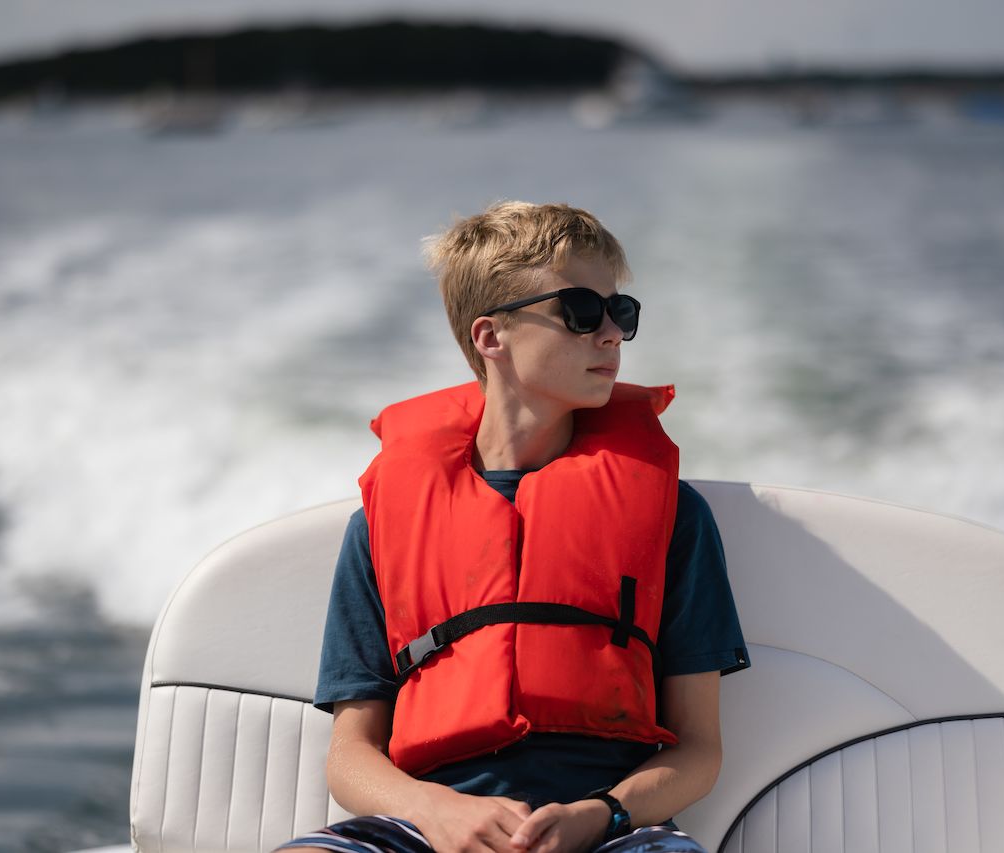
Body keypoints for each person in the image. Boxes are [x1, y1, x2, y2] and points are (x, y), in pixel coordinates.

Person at [277, 201, 748, 853]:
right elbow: (351, 754)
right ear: (490, 337)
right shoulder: (381, 525)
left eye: (622, 312)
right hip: (422, 825)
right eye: (581, 311)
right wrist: (435, 811)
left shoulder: (676, 516)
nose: (611, 333)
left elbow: (699, 747)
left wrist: (600, 813)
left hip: (607, 830)